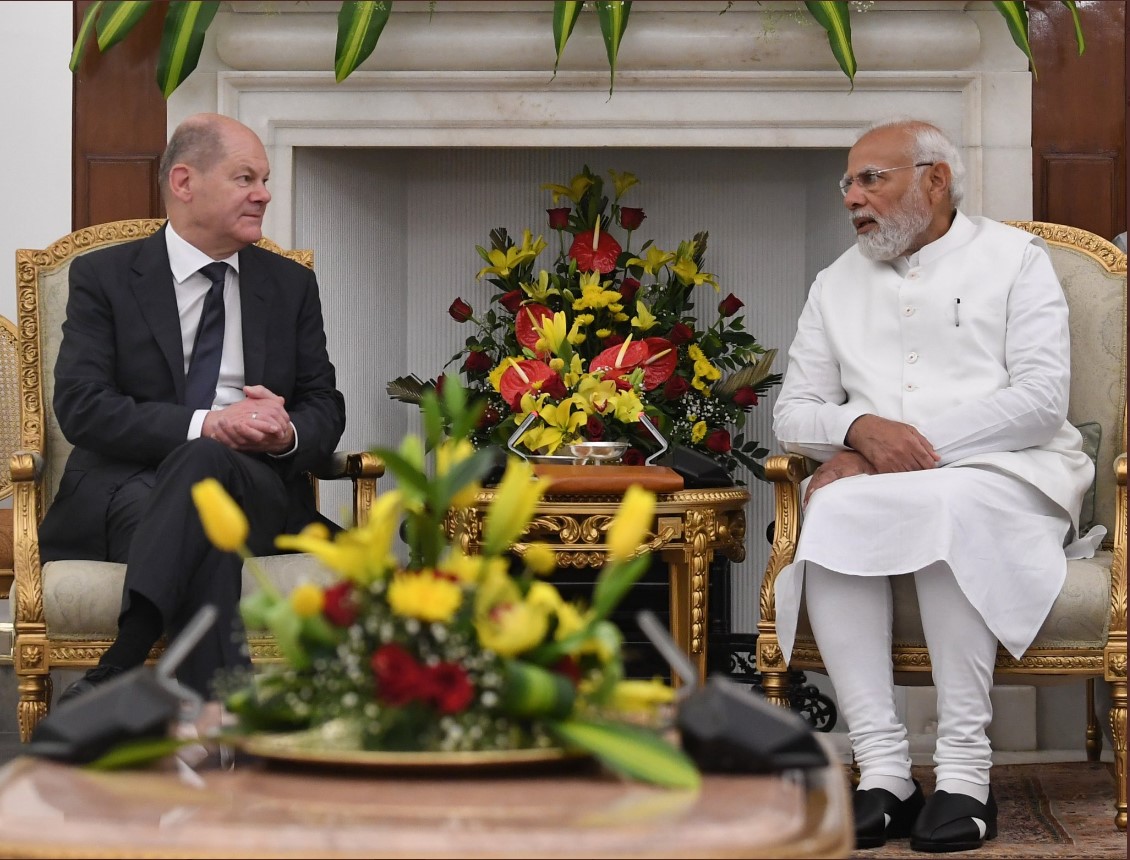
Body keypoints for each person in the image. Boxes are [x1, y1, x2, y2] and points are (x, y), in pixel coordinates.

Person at [772, 119, 1098, 853]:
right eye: (846, 185)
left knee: (946, 501)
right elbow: (792, 413)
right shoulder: (835, 283)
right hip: (889, 479)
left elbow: (1041, 399)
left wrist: (904, 449)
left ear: (935, 180)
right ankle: (883, 772)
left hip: (1013, 470)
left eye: (870, 180)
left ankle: (964, 775)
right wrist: (857, 432)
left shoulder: (1016, 260)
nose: (852, 198)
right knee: (831, 509)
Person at [42, 113, 346, 703]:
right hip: (129, 492)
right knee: (205, 512)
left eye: (263, 180)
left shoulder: (288, 285)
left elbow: (324, 405)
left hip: (254, 487)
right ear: (184, 182)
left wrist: (283, 434)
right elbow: (81, 407)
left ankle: (125, 660)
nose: (263, 194)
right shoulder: (104, 277)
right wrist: (207, 424)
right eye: (244, 179)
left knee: (206, 466)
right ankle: (220, 731)